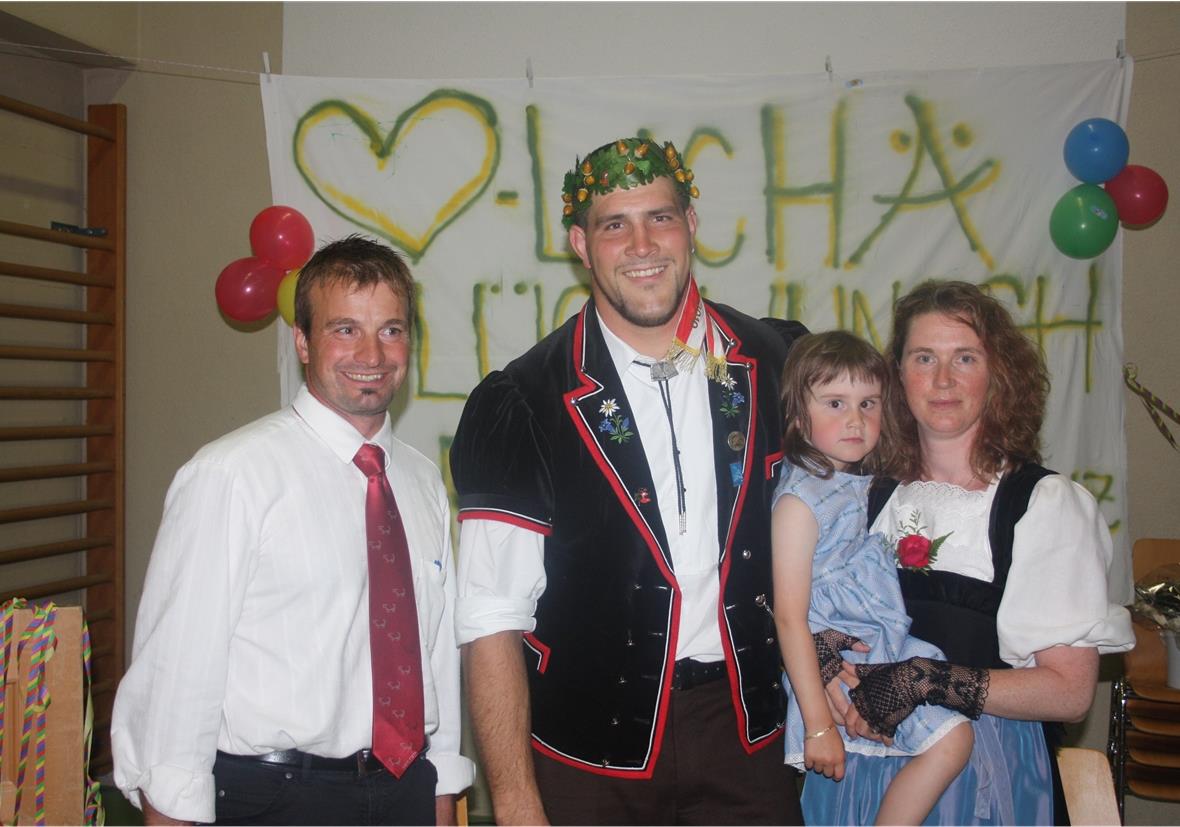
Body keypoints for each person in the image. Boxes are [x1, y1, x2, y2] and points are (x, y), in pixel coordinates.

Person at [449, 137, 807, 825]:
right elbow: (492, 618)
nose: (642, 243)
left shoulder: (779, 361)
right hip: (586, 755)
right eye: (615, 224)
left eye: (661, 217)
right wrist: (519, 803)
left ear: (692, 227)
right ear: (580, 244)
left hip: (752, 741)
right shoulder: (522, 401)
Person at [111, 236, 474, 826]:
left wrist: (443, 784)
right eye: (345, 329)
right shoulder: (231, 475)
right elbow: (179, 669)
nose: (373, 353)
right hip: (275, 796)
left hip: (404, 790)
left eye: (391, 329)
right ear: (303, 340)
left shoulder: (421, 480)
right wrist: (170, 810)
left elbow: (431, 650)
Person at [808, 280, 1134, 825]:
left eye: (965, 357)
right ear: (898, 377)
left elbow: (1070, 693)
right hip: (860, 766)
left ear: (998, 374)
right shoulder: (863, 494)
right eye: (924, 358)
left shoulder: (1042, 505)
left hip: (984, 775)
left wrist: (927, 680)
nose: (942, 380)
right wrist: (822, 664)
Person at [771, 330, 974, 826]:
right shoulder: (800, 503)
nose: (855, 419)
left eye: (868, 403)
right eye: (835, 403)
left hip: (874, 640)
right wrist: (818, 723)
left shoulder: (850, 482)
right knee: (953, 741)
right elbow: (790, 617)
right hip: (844, 654)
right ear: (799, 416)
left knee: (949, 741)